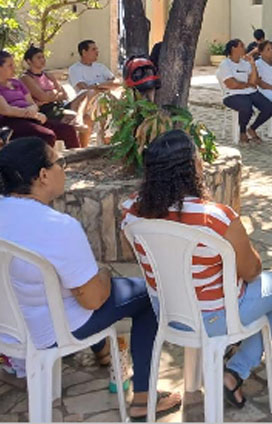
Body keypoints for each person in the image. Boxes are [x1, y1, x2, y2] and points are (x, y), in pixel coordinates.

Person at [0, 137, 182, 420]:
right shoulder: (58, 227)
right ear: (43, 175)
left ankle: (104, 352)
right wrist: (104, 274)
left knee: (73, 285)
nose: (65, 169)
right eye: (60, 163)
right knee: (147, 294)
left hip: (9, 325)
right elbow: (94, 299)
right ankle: (144, 397)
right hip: (48, 330)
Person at [120, 130, 272, 409]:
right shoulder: (216, 217)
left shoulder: (130, 209)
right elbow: (252, 272)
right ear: (194, 168)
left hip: (165, 311)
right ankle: (236, 370)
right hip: (215, 319)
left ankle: (227, 362)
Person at [0, 51, 80, 149]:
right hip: (11, 122)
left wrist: (34, 112)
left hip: (31, 117)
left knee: (67, 130)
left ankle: (75, 160)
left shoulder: (16, 83)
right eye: (10, 65)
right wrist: (30, 113)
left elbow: (32, 103)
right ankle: (45, 163)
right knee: (47, 136)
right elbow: (6, 110)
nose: (14, 68)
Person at [20, 46, 93, 145]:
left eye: (43, 57)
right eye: (38, 57)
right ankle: (77, 146)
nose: (42, 60)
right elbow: (42, 97)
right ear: (29, 61)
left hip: (59, 105)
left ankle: (84, 148)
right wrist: (53, 94)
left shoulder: (48, 75)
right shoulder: (26, 78)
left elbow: (64, 94)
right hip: (46, 110)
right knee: (76, 120)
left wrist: (49, 95)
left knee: (86, 100)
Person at [216, 39, 272, 144]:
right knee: (246, 106)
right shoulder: (225, 64)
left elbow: (254, 81)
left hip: (250, 92)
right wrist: (247, 84)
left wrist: (252, 65)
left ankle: (252, 128)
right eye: (241, 46)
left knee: (269, 107)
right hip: (232, 95)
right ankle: (242, 131)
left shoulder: (245, 63)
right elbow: (231, 84)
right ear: (233, 48)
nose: (244, 48)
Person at [67, 40, 121, 146]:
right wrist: (104, 85)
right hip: (83, 102)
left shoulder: (101, 67)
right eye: (93, 49)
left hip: (103, 100)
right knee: (90, 101)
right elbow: (83, 87)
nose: (97, 52)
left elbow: (117, 82)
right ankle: (84, 148)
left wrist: (97, 85)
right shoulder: (75, 69)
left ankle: (106, 146)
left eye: (97, 49)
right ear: (84, 52)